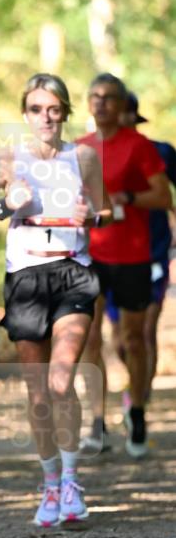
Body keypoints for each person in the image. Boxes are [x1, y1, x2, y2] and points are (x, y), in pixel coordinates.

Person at [0, 73, 111, 528]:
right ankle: (49, 484)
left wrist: (95, 215)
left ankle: (71, 481)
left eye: (54, 109)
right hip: (25, 277)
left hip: (72, 272)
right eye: (36, 109)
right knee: (38, 391)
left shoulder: (84, 156)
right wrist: (6, 207)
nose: (45, 117)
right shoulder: (8, 158)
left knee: (62, 380)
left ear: (65, 112)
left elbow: (103, 212)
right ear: (25, 113)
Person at [77, 74, 171, 459]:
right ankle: (95, 423)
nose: (101, 104)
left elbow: (163, 195)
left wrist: (127, 196)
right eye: (95, 96)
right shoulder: (77, 149)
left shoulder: (140, 146)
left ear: (121, 105)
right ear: (88, 103)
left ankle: (137, 410)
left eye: (109, 98)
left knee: (132, 339)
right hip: (89, 255)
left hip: (133, 254)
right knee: (90, 337)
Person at [101, 92, 176, 422]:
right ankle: (135, 387)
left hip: (153, 252)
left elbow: (169, 196)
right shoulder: (94, 152)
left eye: (128, 113)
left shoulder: (159, 152)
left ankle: (138, 406)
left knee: (145, 330)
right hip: (110, 254)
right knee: (121, 339)